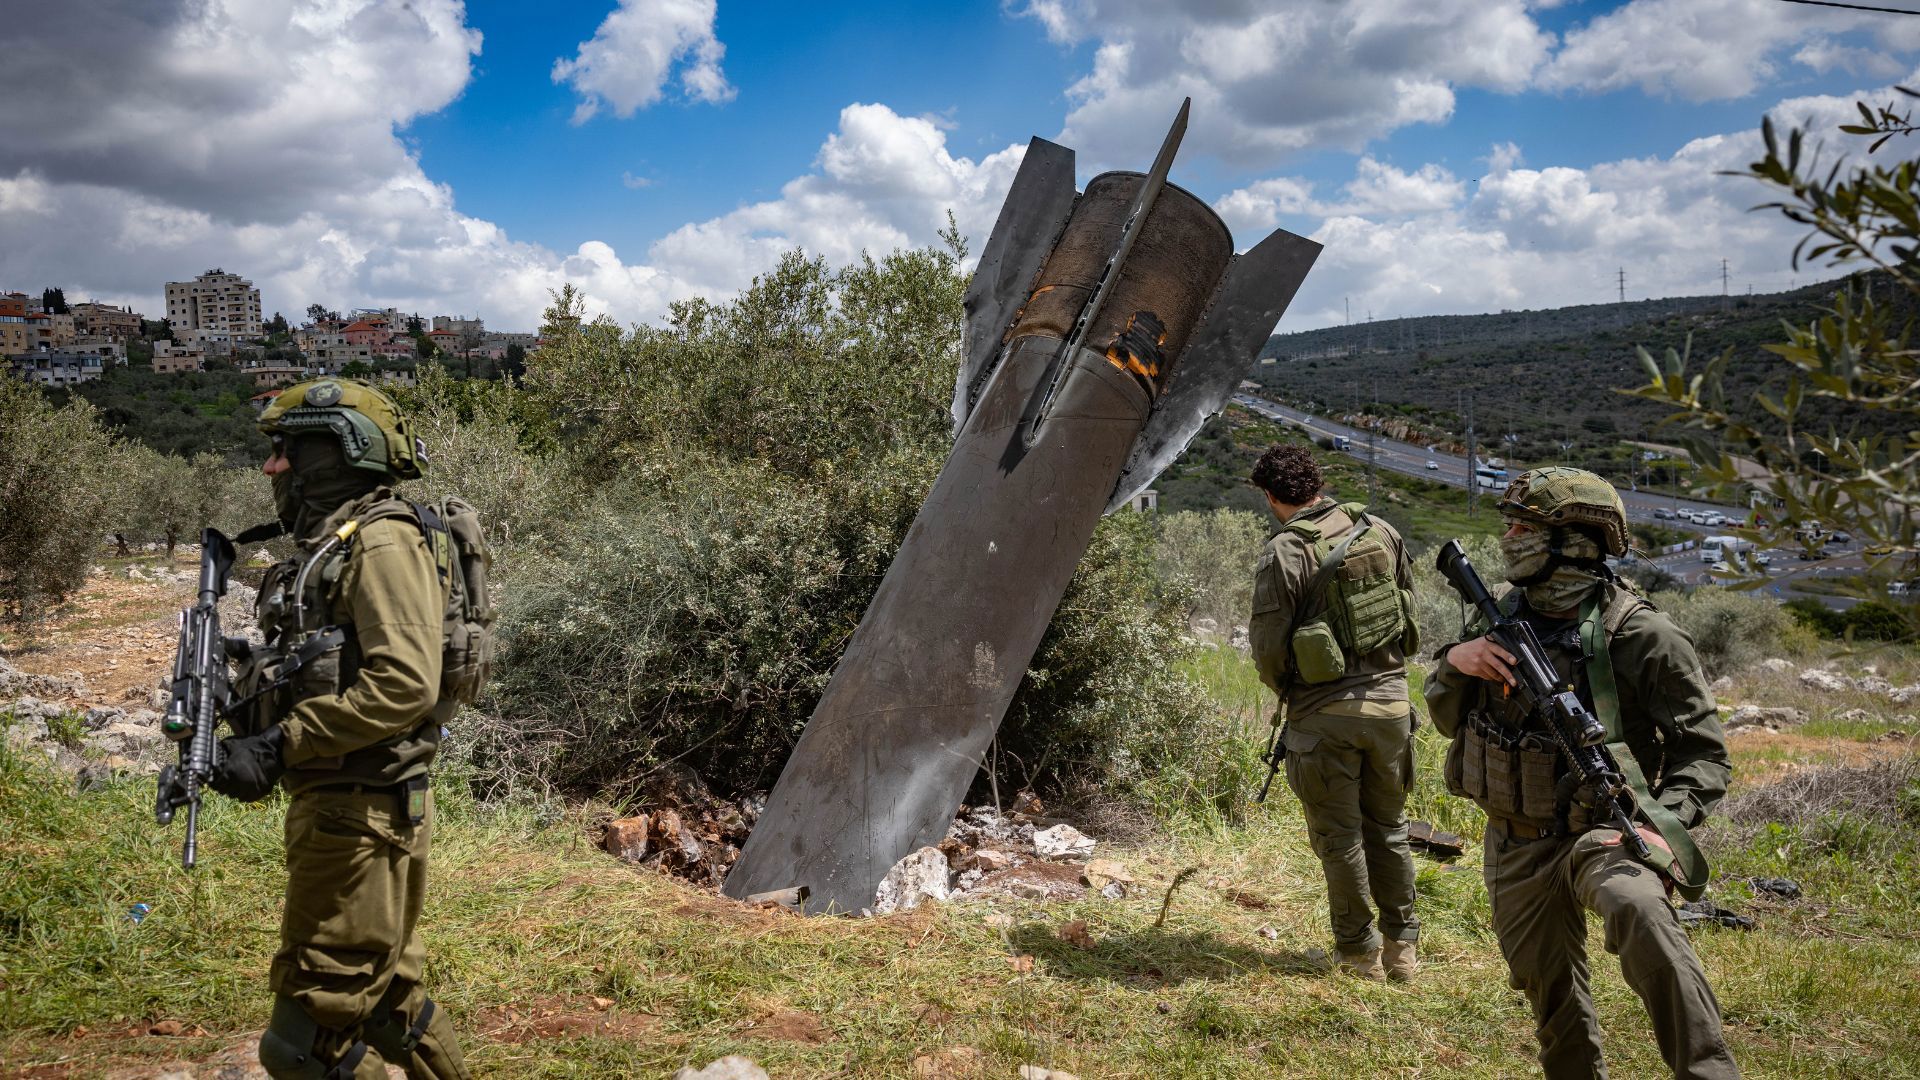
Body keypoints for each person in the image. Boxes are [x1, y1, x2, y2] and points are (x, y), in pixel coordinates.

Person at [1425, 467, 1739, 1079]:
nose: (1509, 537)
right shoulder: (1499, 616)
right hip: (1516, 839)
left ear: (1574, 541)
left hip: (1607, 831)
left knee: (1640, 916)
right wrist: (1456, 664)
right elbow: (1445, 718)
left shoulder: (1644, 634)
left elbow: (1704, 755)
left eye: (1525, 527)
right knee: (1549, 994)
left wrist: (1662, 826)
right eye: (1509, 524)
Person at [211, 378, 471, 1079]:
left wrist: (280, 742)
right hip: (356, 804)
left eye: (289, 449)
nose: (274, 469)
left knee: (304, 1046)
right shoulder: (346, 539)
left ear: (340, 452)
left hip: (361, 814)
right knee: (389, 1001)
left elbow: (402, 684)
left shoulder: (381, 541)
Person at [1248, 444, 1422, 981]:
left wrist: (1296, 692)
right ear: (1318, 484)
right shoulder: (1381, 530)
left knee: (1339, 840)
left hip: (1326, 716)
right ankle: (1403, 952)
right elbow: (1409, 616)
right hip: (1393, 708)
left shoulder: (1284, 551)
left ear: (1272, 496)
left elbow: (1268, 650)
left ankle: (1358, 956)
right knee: (1389, 830)